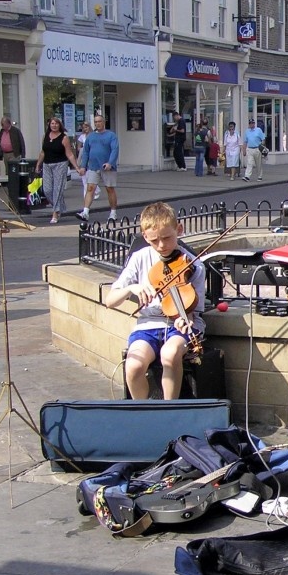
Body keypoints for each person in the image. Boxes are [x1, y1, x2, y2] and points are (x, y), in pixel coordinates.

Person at [104, 202, 205, 400]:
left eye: (167, 238)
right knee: (133, 365)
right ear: (145, 236)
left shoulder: (193, 264)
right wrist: (131, 288)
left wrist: (185, 317)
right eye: (154, 241)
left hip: (180, 327)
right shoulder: (139, 258)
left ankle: (169, 410)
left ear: (179, 229)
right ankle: (143, 412)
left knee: (169, 354)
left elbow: (193, 310)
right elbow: (110, 301)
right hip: (147, 325)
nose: (161, 246)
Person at [34, 117, 81, 224]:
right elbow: (43, 152)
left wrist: (76, 167)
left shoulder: (64, 138)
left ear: (59, 125)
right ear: (49, 125)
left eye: (56, 124)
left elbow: (69, 154)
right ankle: (60, 207)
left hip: (60, 164)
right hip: (47, 164)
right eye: (52, 123)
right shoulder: (45, 136)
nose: (54, 125)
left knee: (57, 189)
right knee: (47, 190)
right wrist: (38, 164)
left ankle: (55, 213)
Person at [76, 114, 119, 222]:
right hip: (93, 166)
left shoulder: (111, 135)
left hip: (107, 167)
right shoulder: (91, 136)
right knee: (90, 188)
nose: (97, 124)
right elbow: (85, 152)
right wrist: (83, 167)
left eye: (99, 121)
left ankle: (113, 212)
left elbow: (115, 150)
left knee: (110, 189)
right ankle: (85, 212)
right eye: (95, 122)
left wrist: (110, 163)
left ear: (104, 122)